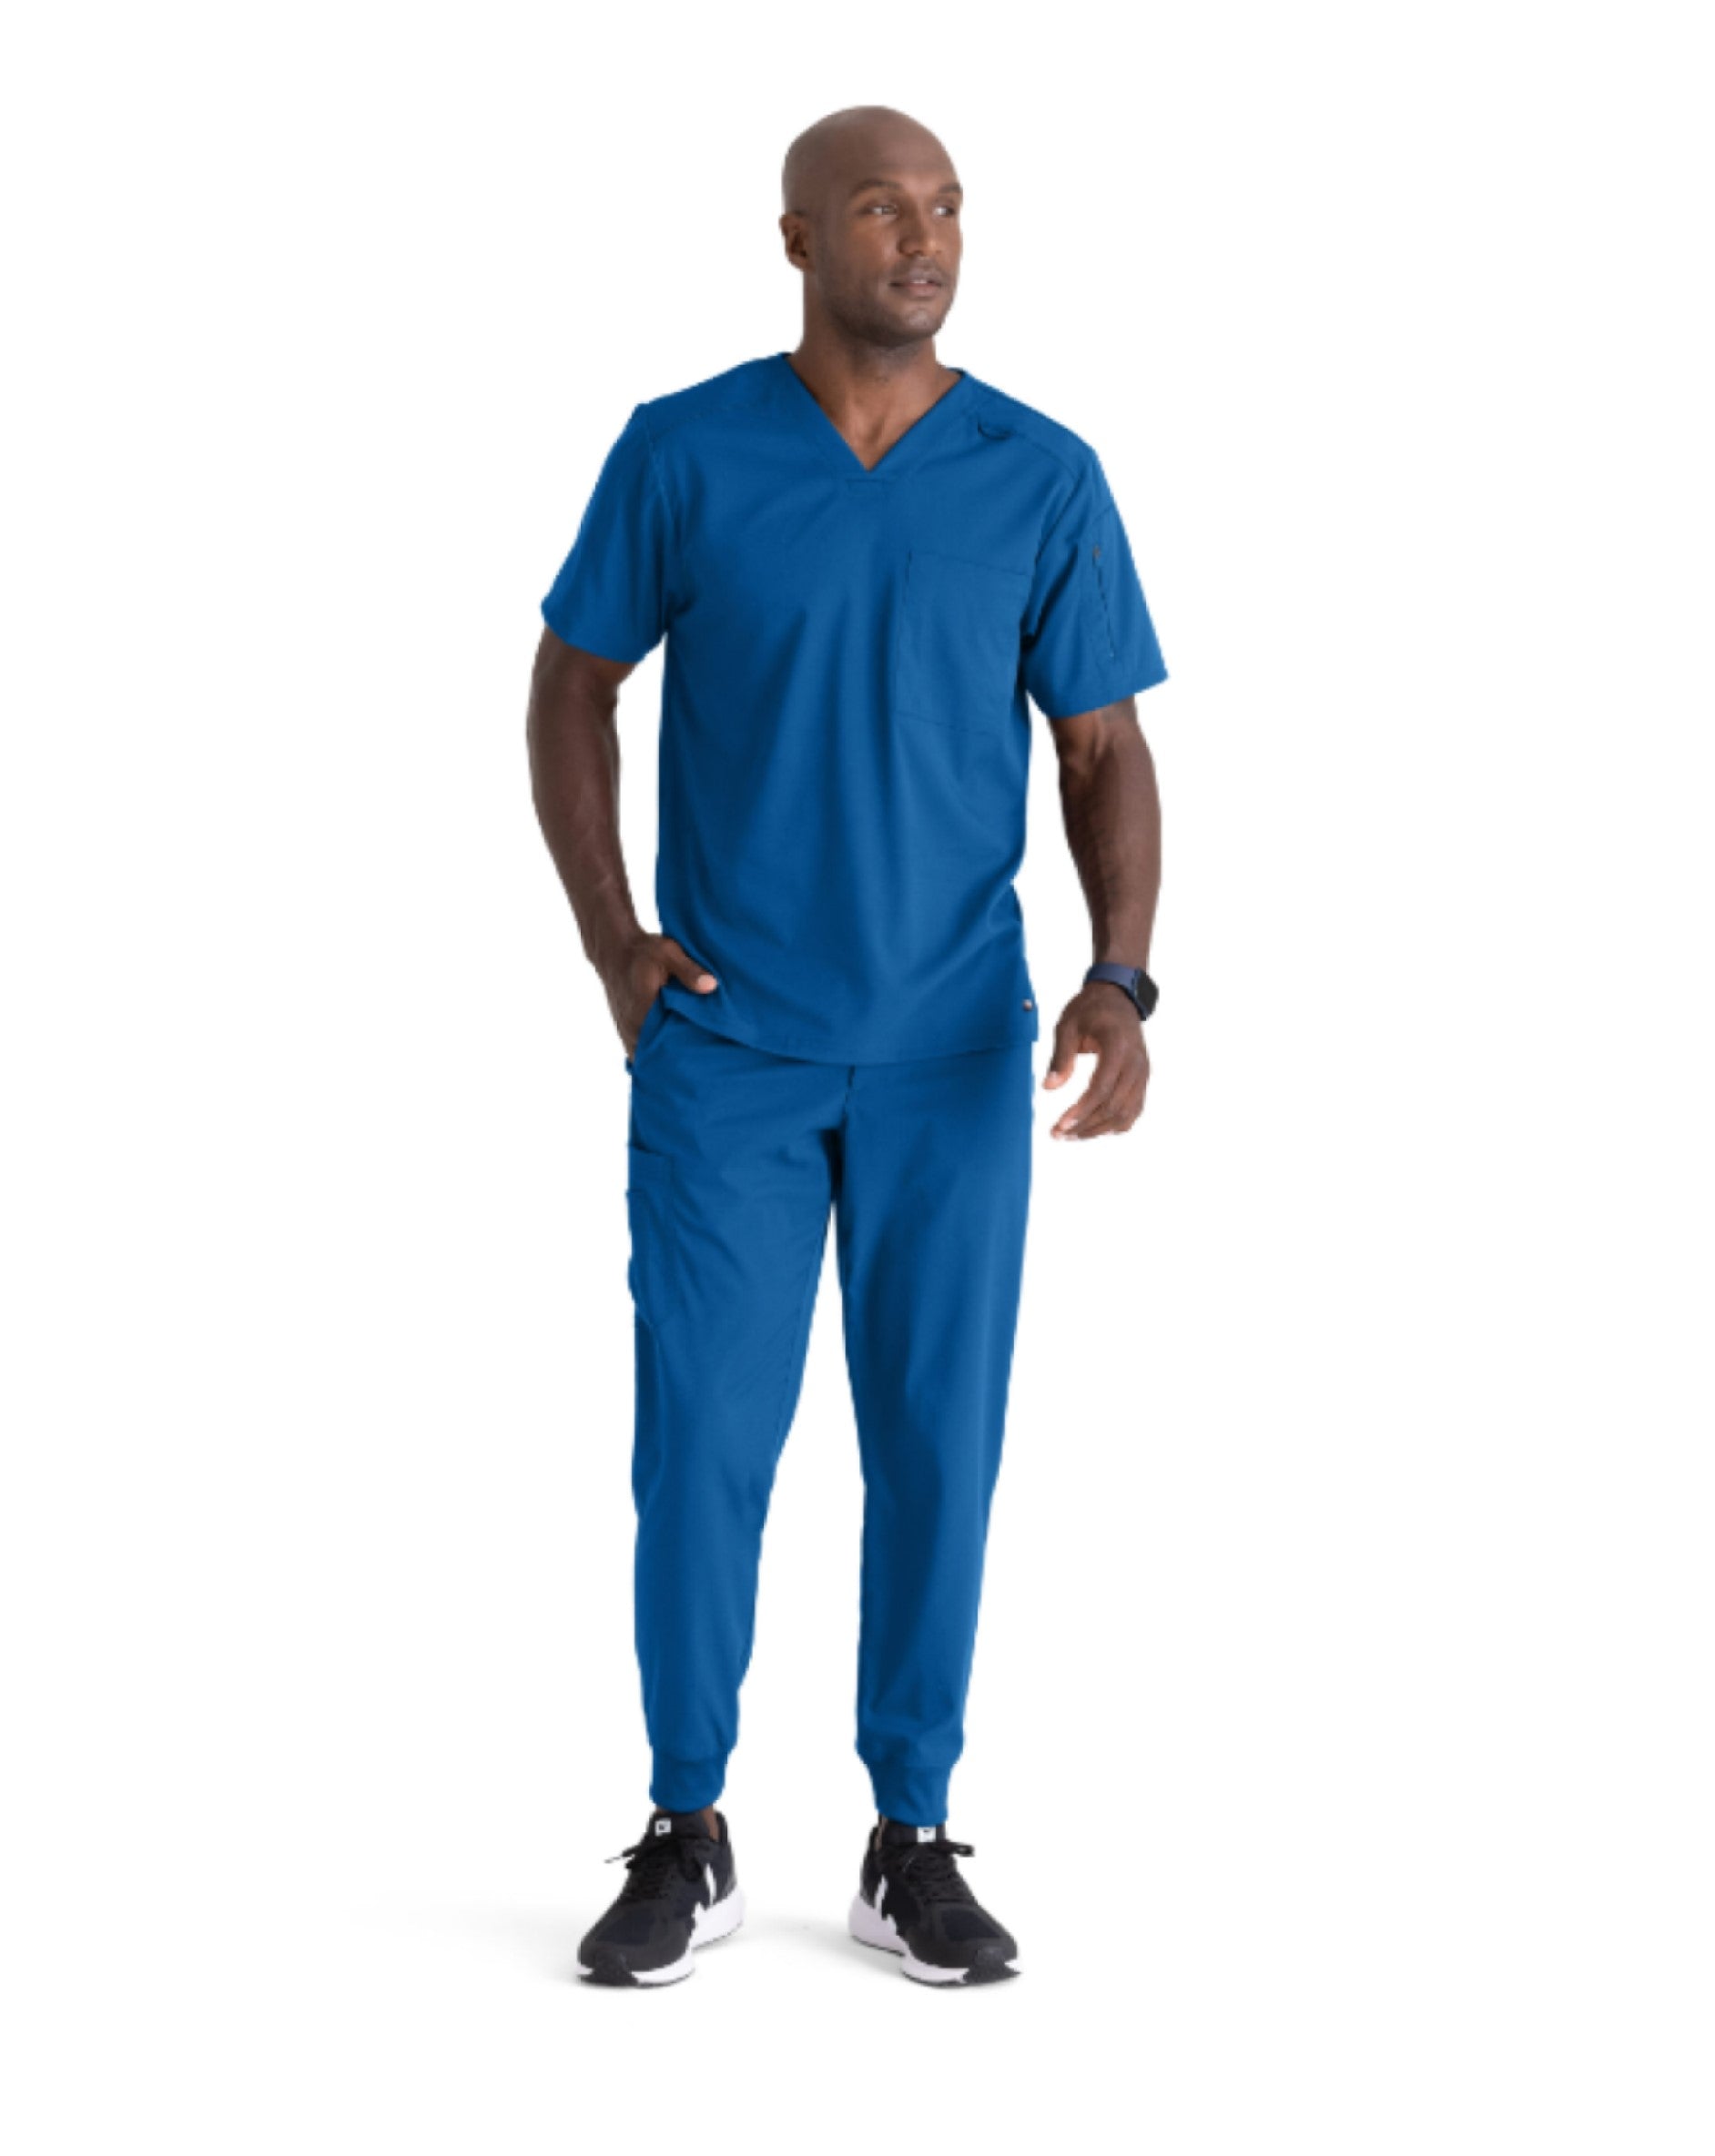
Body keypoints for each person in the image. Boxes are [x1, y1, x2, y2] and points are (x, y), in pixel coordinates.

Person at [527, 104, 1168, 1989]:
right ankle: (688, 1823)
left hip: (952, 1052)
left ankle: (911, 1832)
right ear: (798, 238)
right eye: (881, 207)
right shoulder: (685, 451)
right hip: (727, 1049)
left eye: (947, 207)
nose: (924, 236)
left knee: (937, 1449)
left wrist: (1123, 979)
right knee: (703, 1446)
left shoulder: (1040, 474)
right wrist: (615, 946)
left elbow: (1103, 748)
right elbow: (570, 685)